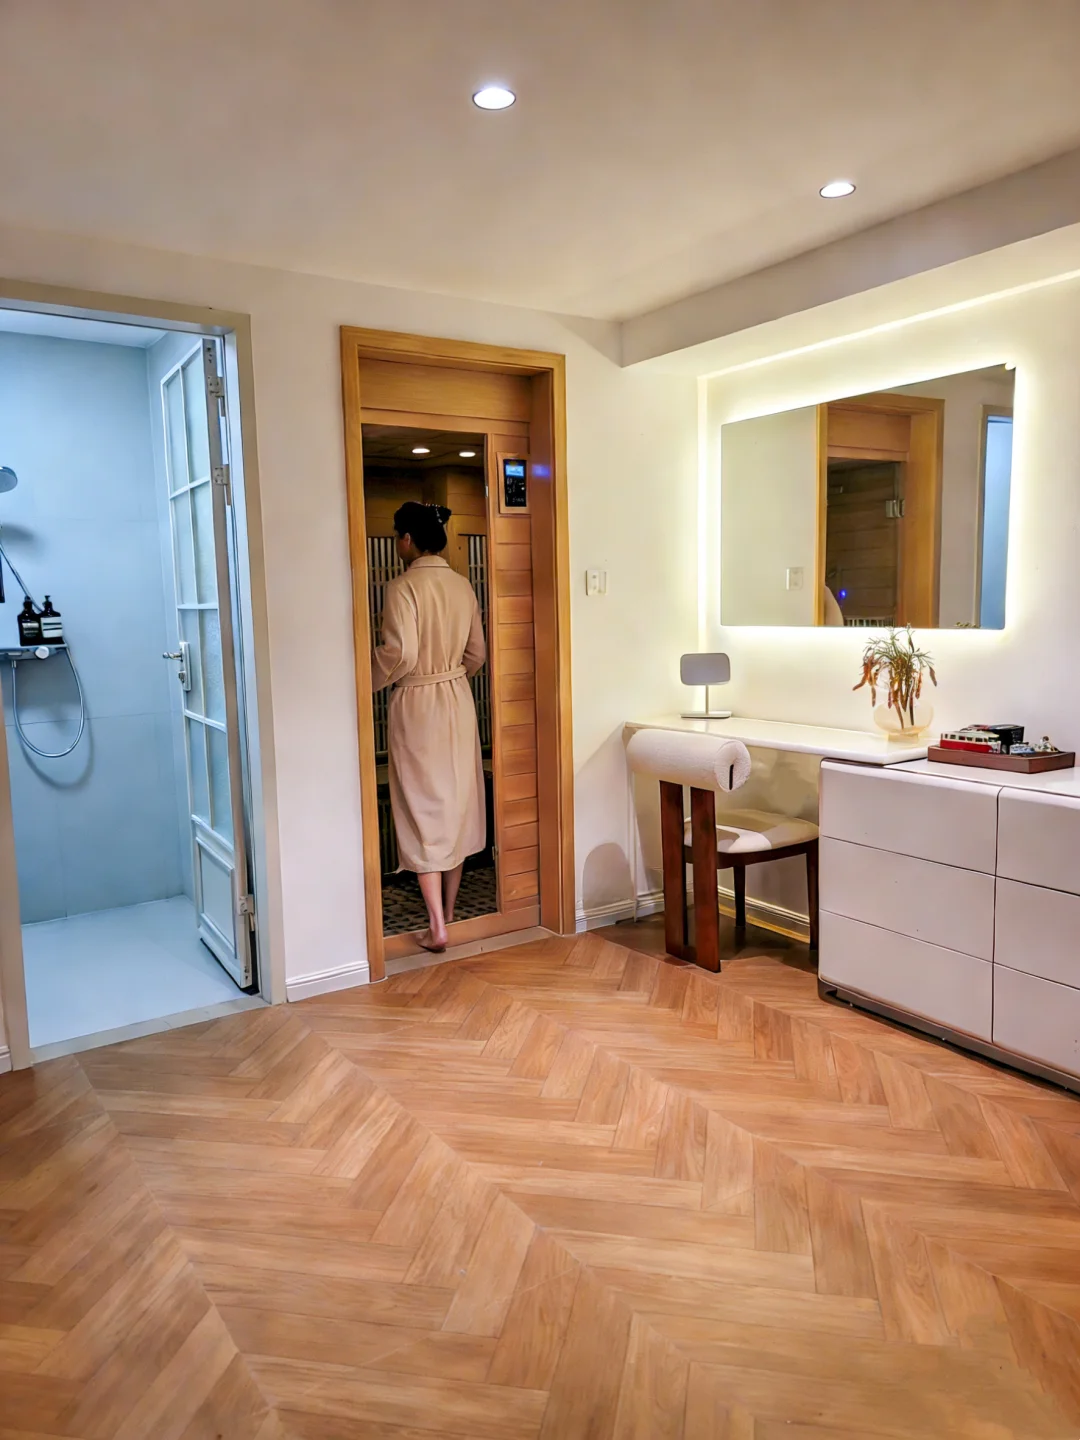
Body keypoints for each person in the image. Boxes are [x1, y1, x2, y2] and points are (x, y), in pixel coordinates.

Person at [371, 501, 487, 952]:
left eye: (397, 536)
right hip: (457, 698)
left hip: (419, 702)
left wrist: (365, 678)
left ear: (407, 539)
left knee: (422, 805)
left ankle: (436, 925)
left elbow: (399, 653)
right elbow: (476, 653)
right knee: (455, 803)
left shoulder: (402, 587)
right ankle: (450, 913)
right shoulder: (462, 585)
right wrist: (452, 676)